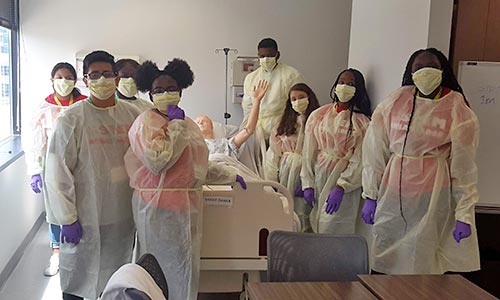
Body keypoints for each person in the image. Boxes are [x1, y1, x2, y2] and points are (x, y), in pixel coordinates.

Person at [124, 59, 246, 300]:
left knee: (185, 269)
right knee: (159, 272)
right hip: (158, 209)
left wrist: (229, 174)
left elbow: (195, 165)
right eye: (159, 90)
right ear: (150, 94)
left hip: (187, 207)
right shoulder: (145, 124)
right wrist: (176, 125)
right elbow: (159, 161)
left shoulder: (189, 124)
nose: (166, 94)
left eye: (171, 89)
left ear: (181, 91)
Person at [361, 48, 480, 275]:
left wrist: (464, 213)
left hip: (433, 195)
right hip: (393, 192)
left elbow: (464, 168)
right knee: (386, 252)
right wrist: (370, 194)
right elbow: (375, 151)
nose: (426, 72)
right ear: (410, 72)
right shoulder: (395, 102)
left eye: (432, 67)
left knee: (422, 259)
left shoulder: (457, 108)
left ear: (443, 70)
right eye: (419, 67)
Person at [44, 51, 142, 300]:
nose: (102, 80)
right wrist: (67, 217)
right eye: (95, 75)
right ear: (85, 81)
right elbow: (57, 172)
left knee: (117, 277)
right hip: (85, 215)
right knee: (79, 277)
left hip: (122, 216)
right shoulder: (71, 119)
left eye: (107, 74)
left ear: (117, 79)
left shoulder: (133, 115)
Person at [24, 62, 86, 276]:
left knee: (82, 208)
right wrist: (34, 170)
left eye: (68, 77)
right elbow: (35, 142)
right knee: (55, 212)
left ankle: (81, 252)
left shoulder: (84, 105)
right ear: (51, 81)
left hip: (82, 169)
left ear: (76, 81)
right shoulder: (44, 108)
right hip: (52, 169)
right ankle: (57, 255)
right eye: (59, 77)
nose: (64, 82)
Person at [301, 69, 372, 234]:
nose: (344, 87)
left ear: (358, 89)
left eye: (350, 84)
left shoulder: (363, 123)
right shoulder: (319, 115)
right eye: (341, 82)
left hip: (343, 183)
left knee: (333, 227)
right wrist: (307, 183)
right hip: (319, 175)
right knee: (315, 224)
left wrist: (342, 187)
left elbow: (361, 160)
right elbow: (308, 152)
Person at [239, 38, 304, 176]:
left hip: (281, 128)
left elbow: (297, 107)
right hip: (256, 128)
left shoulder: (291, 75)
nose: (265, 59)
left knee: (276, 169)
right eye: (262, 56)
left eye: (269, 55)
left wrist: (287, 129)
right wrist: (245, 131)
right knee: (254, 169)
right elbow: (247, 108)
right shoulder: (251, 78)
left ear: (277, 55)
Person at [264, 83, 320, 232]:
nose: (297, 102)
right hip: (286, 173)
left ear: (310, 97)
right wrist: (273, 184)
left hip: (310, 172)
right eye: (293, 99)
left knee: (305, 215)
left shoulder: (319, 121)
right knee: (287, 212)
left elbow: (320, 153)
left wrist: (309, 181)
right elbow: (273, 155)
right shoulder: (282, 123)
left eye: (301, 97)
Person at [196, 80, 269, 158]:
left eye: (204, 121)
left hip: (225, 168)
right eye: (197, 122)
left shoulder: (225, 144)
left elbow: (249, 130)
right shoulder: (194, 147)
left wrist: (257, 101)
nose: (200, 122)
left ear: (211, 126)